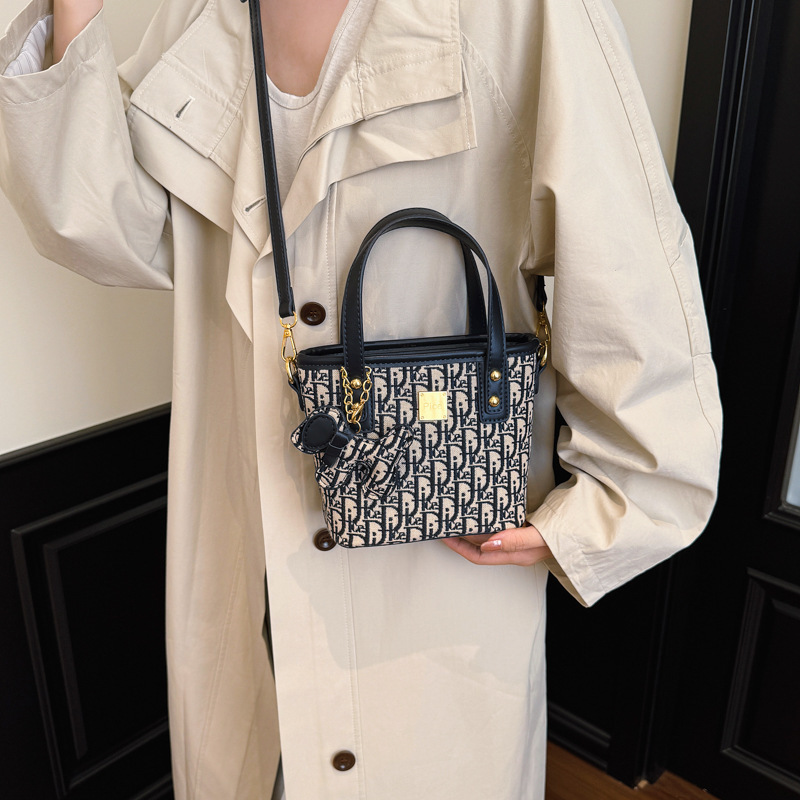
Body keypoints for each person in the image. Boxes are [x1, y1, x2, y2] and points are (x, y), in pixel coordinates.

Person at [0, 0, 722, 798]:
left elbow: (626, 263)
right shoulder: (198, 13)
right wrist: (73, 14)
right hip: (243, 526)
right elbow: (116, 231)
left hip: (441, 558)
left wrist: (601, 513)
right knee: (252, 758)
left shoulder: (523, 13)